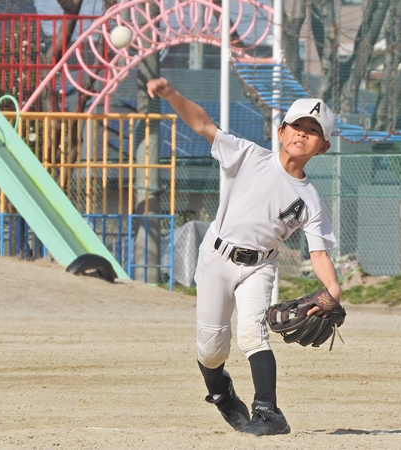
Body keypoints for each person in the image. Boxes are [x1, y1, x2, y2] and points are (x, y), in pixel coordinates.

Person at [146, 78, 342, 436]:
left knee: (253, 334)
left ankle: (269, 413)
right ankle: (221, 392)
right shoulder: (248, 155)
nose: (302, 133)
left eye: (313, 130)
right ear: (281, 131)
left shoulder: (311, 200)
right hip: (217, 258)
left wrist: (333, 289)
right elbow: (203, 124)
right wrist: (170, 94)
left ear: (323, 147)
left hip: (260, 266)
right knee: (211, 348)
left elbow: (318, 253)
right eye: (297, 125)